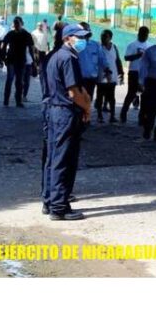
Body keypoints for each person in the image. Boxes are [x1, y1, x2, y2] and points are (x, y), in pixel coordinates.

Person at [42, 23, 91, 221]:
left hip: (54, 111)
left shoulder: (55, 56)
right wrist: (86, 107)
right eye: (78, 37)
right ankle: (59, 206)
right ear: (67, 38)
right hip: (66, 113)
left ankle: (50, 201)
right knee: (65, 160)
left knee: (53, 158)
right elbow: (73, 92)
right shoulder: (68, 58)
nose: (82, 41)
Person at [120, 26, 152, 123]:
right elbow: (126, 58)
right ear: (139, 34)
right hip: (134, 71)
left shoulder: (150, 46)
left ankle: (142, 117)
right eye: (143, 34)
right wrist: (137, 56)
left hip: (146, 73)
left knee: (145, 95)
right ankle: (123, 113)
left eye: (146, 34)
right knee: (131, 93)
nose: (145, 36)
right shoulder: (132, 45)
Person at [1, 17, 34, 106]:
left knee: (19, 81)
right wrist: (3, 57)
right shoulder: (11, 33)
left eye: (17, 23)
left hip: (21, 60)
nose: (16, 25)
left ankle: (18, 100)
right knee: (10, 80)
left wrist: (34, 61)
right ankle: (7, 100)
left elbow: (31, 49)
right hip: (12, 59)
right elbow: (4, 46)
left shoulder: (26, 34)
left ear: (21, 24)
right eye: (15, 24)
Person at [95, 29, 124, 123]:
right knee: (100, 96)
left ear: (110, 38)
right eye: (102, 36)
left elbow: (118, 60)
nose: (103, 38)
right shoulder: (98, 47)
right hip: (101, 75)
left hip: (112, 75)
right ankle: (99, 116)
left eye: (105, 36)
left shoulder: (114, 47)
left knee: (111, 96)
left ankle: (112, 116)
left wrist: (121, 73)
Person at [76, 22, 106, 102]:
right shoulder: (74, 45)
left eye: (87, 30)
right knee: (78, 102)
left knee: (88, 101)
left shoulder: (95, 45)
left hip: (91, 80)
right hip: (78, 80)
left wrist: (106, 70)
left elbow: (102, 60)